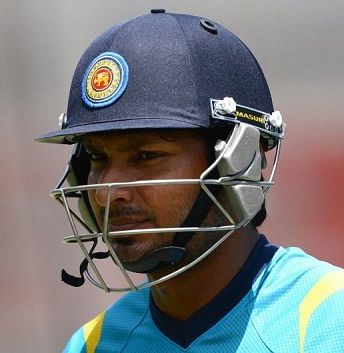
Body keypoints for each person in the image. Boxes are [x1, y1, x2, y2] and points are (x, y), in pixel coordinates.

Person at [36, 10, 344, 353]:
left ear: (237, 162)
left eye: (147, 156)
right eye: (97, 158)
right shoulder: (91, 345)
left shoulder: (329, 321)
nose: (111, 193)